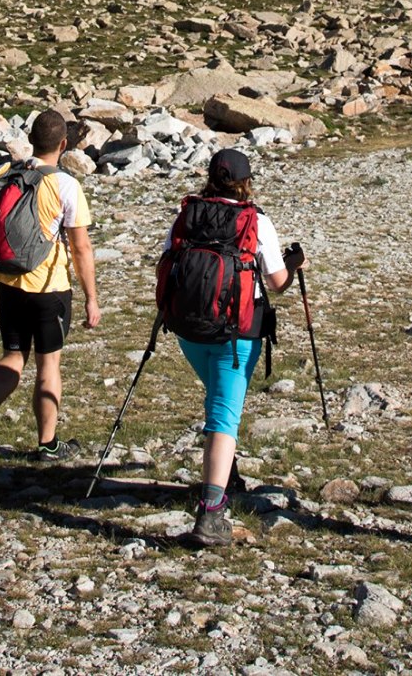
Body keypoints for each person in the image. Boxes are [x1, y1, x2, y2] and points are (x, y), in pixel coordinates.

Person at [163, 147, 303, 547]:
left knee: (219, 402)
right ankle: (210, 513)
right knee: (224, 418)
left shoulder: (187, 213)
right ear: (245, 181)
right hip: (236, 331)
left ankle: (225, 475)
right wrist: (294, 264)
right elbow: (276, 281)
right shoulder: (255, 220)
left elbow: (166, 260)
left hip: (189, 329)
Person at [0, 109, 99, 466]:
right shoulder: (66, 184)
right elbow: (81, 247)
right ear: (64, 144)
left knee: (13, 355)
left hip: (7, 282)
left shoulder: (3, 172)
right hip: (49, 288)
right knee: (48, 364)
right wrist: (91, 299)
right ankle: (48, 444)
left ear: (31, 140)